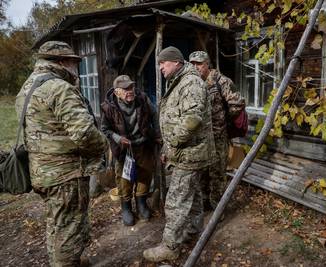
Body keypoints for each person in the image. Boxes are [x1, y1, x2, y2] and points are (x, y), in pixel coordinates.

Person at [15, 41, 108, 266]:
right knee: (69, 228)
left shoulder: (27, 88)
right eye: (72, 62)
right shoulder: (58, 88)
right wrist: (104, 145)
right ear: (60, 62)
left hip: (41, 172)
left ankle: (64, 260)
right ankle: (67, 261)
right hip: (66, 174)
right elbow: (84, 133)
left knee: (56, 223)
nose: (75, 67)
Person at [143, 46, 215, 262]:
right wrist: (169, 148)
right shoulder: (179, 81)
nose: (160, 68)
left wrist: (171, 143)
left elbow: (192, 120)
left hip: (190, 153)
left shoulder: (190, 83)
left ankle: (171, 246)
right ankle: (193, 230)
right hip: (186, 152)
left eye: (162, 63)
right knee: (192, 196)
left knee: (175, 201)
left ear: (175, 62)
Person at [101, 75, 160, 225]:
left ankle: (141, 203)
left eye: (131, 88)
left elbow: (154, 114)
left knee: (145, 174)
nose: (130, 91)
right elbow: (105, 129)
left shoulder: (142, 99)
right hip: (124, 150)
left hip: (143, 145)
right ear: (117, 92)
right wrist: (118, 138)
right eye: (126, 89)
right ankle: (126, 207)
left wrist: (157, 133)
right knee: (124, 179)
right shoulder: (109, 107)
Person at [189, 51, 245, 211]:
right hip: (200, 139)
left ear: (207, 64)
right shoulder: (193, 83)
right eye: (192, 64)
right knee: (202, 173)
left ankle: (217, 209)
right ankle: (205, 203)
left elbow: (237, 104)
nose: (195, 67)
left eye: (198, 63)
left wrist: (224, 120)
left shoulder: (222, 81)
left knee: (218, 175)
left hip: (218, 137)